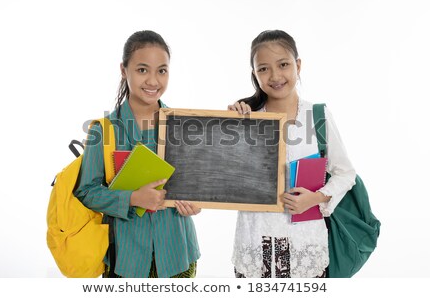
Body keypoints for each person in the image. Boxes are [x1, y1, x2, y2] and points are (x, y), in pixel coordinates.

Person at [228, 30, 356, 278]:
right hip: (254, 243)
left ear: (298, 65)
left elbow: (346, 173)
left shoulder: (316, 116)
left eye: (283, 64)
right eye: (263, 69)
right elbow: (226, 176)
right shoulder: (247, 117)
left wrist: (316, 198)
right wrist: (231, 125)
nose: (275, 76)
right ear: (254, 74)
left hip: (305, 246)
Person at [74, 30, 201, 278]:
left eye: (162, 70)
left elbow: (197, 185)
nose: (153, 81)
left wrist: (195, 204)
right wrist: (132, 198)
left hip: (178, 254)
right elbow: (86, 191)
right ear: (124, 70)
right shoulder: (104, 130)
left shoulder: (185, 126)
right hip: (125, 259)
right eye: (142, 70)